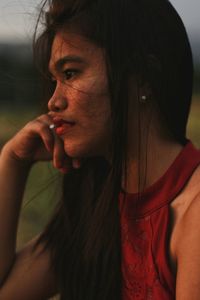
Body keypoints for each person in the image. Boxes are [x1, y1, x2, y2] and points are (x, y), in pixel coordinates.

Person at [0, 0, 200, 299]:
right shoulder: (97, 207)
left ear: (142, 74)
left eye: (70, 74)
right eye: (54, 81)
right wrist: (12, 161)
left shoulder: (193, 211)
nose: (53, 102)